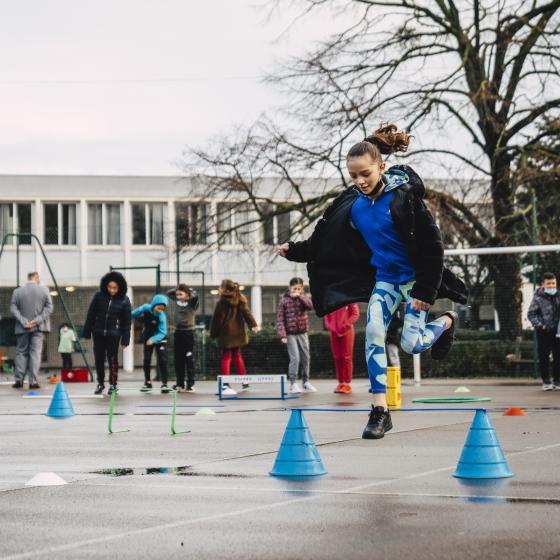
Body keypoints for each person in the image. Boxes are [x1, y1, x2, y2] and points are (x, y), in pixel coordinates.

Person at [279, 123, 467, 439]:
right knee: (374, 332)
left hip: (416, 280)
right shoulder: (351, 204)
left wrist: (425, 290)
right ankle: (380, 410)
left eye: (365, 173)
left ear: (382, 166)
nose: (360, 181)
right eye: (353, 176)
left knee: (411, 344)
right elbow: (323, 240)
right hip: (386, 281)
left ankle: (448, 321)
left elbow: (433, 247)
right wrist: (293, 250)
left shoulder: (404, 199)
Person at [83, 271, 131, 395]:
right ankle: (100, 383)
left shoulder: (125, 300)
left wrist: (126, 338)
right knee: (99, 359)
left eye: (115, 288)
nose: (112, 290)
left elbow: (126, 321)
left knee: (113, 359)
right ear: (105, 286)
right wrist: (87, 330)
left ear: (120, 287)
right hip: (98, 333)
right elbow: (91, 314)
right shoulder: (99, 296)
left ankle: (113, 384)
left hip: (114, 334)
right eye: (110, 287)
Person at [210, 279, 258, 396]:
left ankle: (225, 384)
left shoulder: (221, 302)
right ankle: (245, 382)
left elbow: (217, 320)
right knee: (237, 356)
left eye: (220, 287)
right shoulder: (240, 299)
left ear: (225, 289)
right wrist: (253, 325)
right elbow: (247, 313)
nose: (219, 289)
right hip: (238, 333)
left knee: (226, 357)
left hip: (226, 334)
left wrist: (213, 333)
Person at [10, 272, 53, 389]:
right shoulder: (44, 290)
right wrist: (36, 320)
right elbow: (49, 308)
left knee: (21, 353)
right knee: (35, 354)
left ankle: (19, 380)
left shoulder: (17, 292)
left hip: (22, 327)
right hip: (38, 328)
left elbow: (13, 309)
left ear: (27, 278)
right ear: (37, 278)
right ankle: (33, 381)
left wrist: (24, 321)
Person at [276, 277, 316, 394]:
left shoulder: (303, 297)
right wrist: (282, 335)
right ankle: (293, 383)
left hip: (302, 332)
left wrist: (300, 296)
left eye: (299, 288)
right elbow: (280, 319)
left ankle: (306, 382)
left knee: (306, 357)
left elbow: (310, 306)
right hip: (290, 334)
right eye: (295, 288)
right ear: (290, 287)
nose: (297, 290)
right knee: (295, 358)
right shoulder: (284, 300)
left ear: (302, 288)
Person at [527, 271, 560, 390]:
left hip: (557, 332)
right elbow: (531, 314)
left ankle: (557, 381)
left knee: (558, 356)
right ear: (543, 284)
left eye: (553, 283)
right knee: (544, 356)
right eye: (548, 284)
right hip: (543, 332)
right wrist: (541, 326)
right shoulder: (538, 298)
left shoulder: (558, 296)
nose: (551, 286)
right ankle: (546, 381)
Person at [132, 294, 170, 393]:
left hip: (160, 338)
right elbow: (134, 313)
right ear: (154, 304)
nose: (160, 310)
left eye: (162, 309)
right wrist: (126, 317)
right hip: (147, 336)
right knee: (147, 359)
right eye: (158, 307)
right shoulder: (145, 308)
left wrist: (153, 339)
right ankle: (147, 383)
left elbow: (163, 332)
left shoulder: (161, 316)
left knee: (162, 360)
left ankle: (164, 384)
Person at [167, 284, 199, 393]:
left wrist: (189, 290)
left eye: (181, 294)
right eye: (177, 294)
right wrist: (178, 289)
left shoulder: (192, 303)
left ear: (187, 295)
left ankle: (190, 384)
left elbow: (195, 297)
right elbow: (168, 293)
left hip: (189, 333)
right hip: (178, 332)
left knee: (189, 359)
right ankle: (180, 384)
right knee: (178, 360)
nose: (178, 296)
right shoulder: (177, 301)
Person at [325, 304, 359, 395]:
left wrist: (345, 325)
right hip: (334, 332)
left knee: (346, 357)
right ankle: (341, 383)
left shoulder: (349, 297)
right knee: (337, 357)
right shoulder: (331, 298)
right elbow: (327, 313)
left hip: (347, 331)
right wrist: (330, 326)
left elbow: (355, 314)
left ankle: (347, 384)